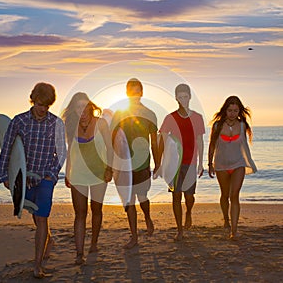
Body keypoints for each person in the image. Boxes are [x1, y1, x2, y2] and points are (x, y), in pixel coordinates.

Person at [0, 82, 67, 278]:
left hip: (45, 178)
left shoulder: (56, 123)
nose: (42, 109)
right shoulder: (19, 121)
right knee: (36, 216)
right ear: (33, 100)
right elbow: (8, 148)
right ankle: (48, 240)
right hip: (25, 179)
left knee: (42, 217)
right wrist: (4, 175)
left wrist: (51, 175)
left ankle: (38, 265)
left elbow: (61, 153)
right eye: (39, 104)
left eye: (46, 105)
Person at [62, 92, 113, 264]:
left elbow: (110, 148)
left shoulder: (101, 124)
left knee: (96, 210)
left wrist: (110, 169)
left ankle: (94, 243)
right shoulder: (70, 126)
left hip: (99, 173)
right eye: (78, 107)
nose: (82, 110)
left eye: (85, 106)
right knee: (80, 214)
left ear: (91, 107)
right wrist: (67, 172)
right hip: (78, 174)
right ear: (73, 110)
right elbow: (70, 151)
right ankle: (79, 253)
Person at [110, 78, 159, 249]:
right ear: (127, 93)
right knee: (129, 202)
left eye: (137, 91)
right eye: (131, 92)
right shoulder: (119, 114)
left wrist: (158, 163)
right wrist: (110, 165)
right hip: (123, 166)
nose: (134, 95)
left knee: (142, 197)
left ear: (142, 93)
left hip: (142, 164)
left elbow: (155, 142)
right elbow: (112, 140)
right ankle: (134, 236)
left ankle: (147, 217)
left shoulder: (150, 114)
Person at [158, 83, 205, 241]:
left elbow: (200, 140)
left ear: (190, 97)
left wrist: (200, 163)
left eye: (186, 96)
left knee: (189, 196)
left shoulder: (197, 117)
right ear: (176, 98)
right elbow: (163, 140)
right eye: (180, 97)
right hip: (175, 164)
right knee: (176, 196)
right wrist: (162, 164)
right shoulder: (170, 118)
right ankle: (179, 230)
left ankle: (189, 212)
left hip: (191, 162)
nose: (183, 99)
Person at [208, 95, 257, 240]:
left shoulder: (242, 126)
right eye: (230, 110)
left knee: (234, 196)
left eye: (235, 111)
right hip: (221, 165)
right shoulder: (217, 126)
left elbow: (244, 147)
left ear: (239, 111)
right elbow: (212, 146)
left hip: (238, 164)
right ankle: (226, 219)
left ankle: (234, 231)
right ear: (225, 110)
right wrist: (210, 164)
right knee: (225, 195)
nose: (232, 113)